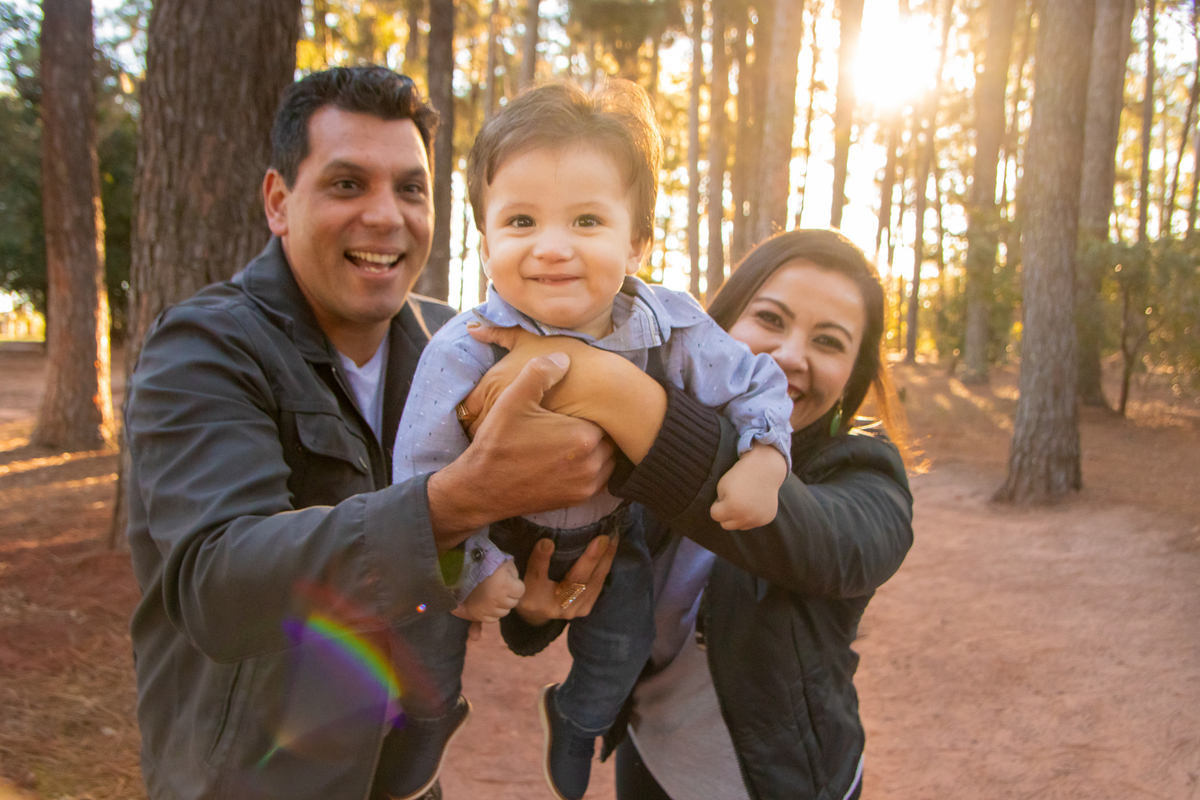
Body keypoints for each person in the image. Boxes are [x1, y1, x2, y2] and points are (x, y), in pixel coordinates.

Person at [123, 66, 630, 800]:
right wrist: (453, 502)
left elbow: (478, 559)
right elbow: (217, 585)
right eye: (346, 184)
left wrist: (530, 602)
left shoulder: (454, 347)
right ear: (277, 202)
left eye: (410, 188)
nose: (386, 216)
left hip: (407, 778)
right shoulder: (203, 347)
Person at [390, 80, 792, 800]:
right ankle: (426, 715)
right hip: (497, 525)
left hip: (611, 531)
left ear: (636, 240)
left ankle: (578, 718)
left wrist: (764, 455)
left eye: (585, 220)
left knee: (621, 640)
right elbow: (419, 471)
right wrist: (474, 565)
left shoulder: (666, 326)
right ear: (484, 234)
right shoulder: (465, 346)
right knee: (431, 617)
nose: (551, 248)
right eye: (519, 221)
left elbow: (755, 379)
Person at [470, 229, 913, 800]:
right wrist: (539, 611)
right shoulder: (633, 441)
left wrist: (613, 388)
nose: (791, 356)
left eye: (828, 342)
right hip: (649, 763)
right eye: (772, 320)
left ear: (853, 374)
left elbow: (811, 542)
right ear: (721, 323)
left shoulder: (869, 477)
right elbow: (587, 562)